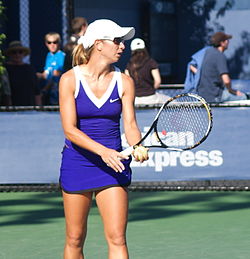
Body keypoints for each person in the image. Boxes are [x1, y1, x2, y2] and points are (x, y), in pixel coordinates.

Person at [59, 19, 148, 258]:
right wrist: (103, 152)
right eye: (117, 41)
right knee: (75, 239)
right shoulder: (69, 80)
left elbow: (130, 124)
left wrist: (137, 144)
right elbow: (70, 130)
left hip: (114, 165)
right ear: (98, 44)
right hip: (78, 163)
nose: (122, 47)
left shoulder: (125, 81)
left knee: (118, 238)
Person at [187, 32, 248, 102]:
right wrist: (232, 91)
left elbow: (191, 65)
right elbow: (226, 80)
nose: (228, 42)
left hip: (202, 96)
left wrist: (202, 74)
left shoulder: (206, 52)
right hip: (216, 96)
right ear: (222, 43)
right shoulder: (220, 56)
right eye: (227, 40)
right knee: (245, 96)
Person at [125, 38, 170, 105]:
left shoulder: (129, 65)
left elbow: (127, 83)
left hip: (135, 99)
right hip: (151, 97)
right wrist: (150, 90)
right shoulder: (151, 62)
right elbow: (158, 81)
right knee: (174, 102)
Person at [4, 41, 41, 106]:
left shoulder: (30, 69)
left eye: (20, 52)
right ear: (9, 54)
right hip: (11, 110)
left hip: (30, 108)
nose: (17, 55)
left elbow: (36, 91)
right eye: (14, 52)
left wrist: (39, 108)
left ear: (23, 54)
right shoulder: (5, 69)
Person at [37, 32, 65, 105]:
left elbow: (55, 75)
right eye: (49, 42)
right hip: (49, 92)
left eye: (55, 42)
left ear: (59, 43)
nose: (52, 45)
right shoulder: (49, 55)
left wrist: (45, 90)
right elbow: (46, 74)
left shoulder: (61, 56)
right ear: (46, 43)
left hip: (57, 92)